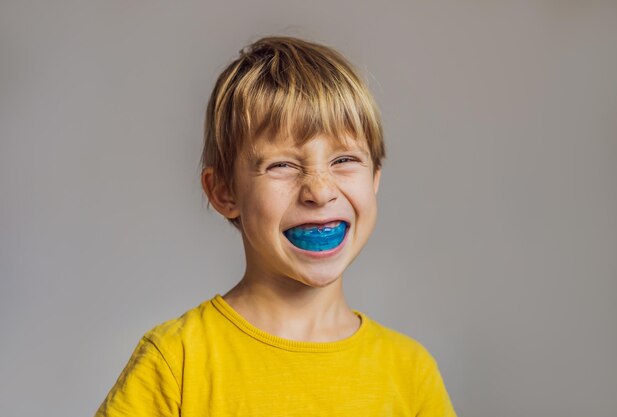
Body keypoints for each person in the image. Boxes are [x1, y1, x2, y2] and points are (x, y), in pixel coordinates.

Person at [95, 36, 457, 417]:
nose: (319, 191)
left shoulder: (411, 373)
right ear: (223, 192)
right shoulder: (175, 361)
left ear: (375, 179)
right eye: (281, 165)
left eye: (345, 159)